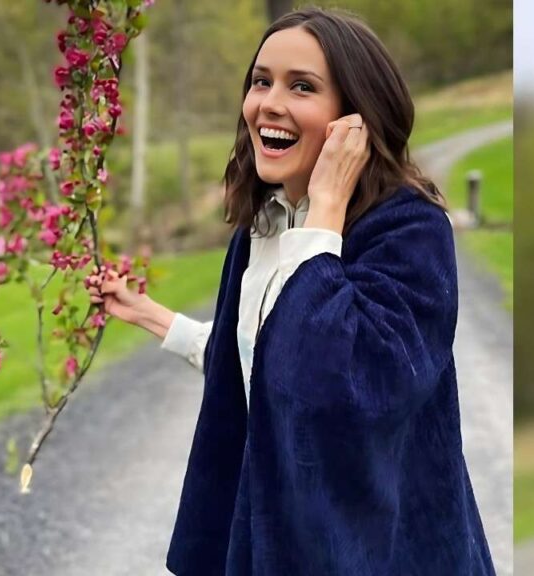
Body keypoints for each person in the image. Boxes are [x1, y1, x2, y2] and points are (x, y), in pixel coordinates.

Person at [87, 6, 494, 575]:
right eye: (261, 81)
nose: (269, 103)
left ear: (355, 118)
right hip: (278, 543)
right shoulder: (265, 225)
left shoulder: (410, 231)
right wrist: (155, 318)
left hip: (378, 552)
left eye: (302, 86)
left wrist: (325, 213)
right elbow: (265, 362)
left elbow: (339, 388)